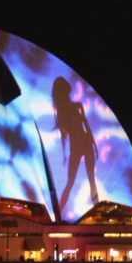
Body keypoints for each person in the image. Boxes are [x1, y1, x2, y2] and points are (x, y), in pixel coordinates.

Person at [51, 76, 99, 212]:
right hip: (78, 145)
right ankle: (58, 213)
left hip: (83, 143)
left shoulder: (75, 107)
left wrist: (94, 145)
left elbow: (86, 125)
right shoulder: (62, 111)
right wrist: (64, 154)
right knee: (72, 182)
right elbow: (63, 134)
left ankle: (97, 211)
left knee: (90, 181)